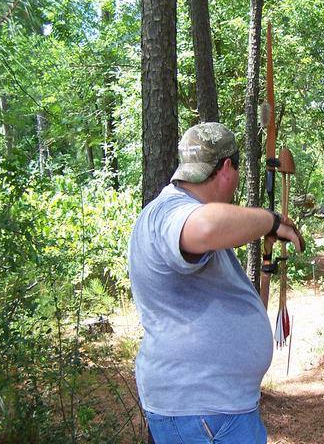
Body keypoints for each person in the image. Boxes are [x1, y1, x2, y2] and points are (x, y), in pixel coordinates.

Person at [128, 122, 304, 444]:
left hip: (212, 411)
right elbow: (206, 227)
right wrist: (271, 220)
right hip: (203, 413)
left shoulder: (184, 213)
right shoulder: (170, 212)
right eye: (236, 172)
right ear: (226, 168)